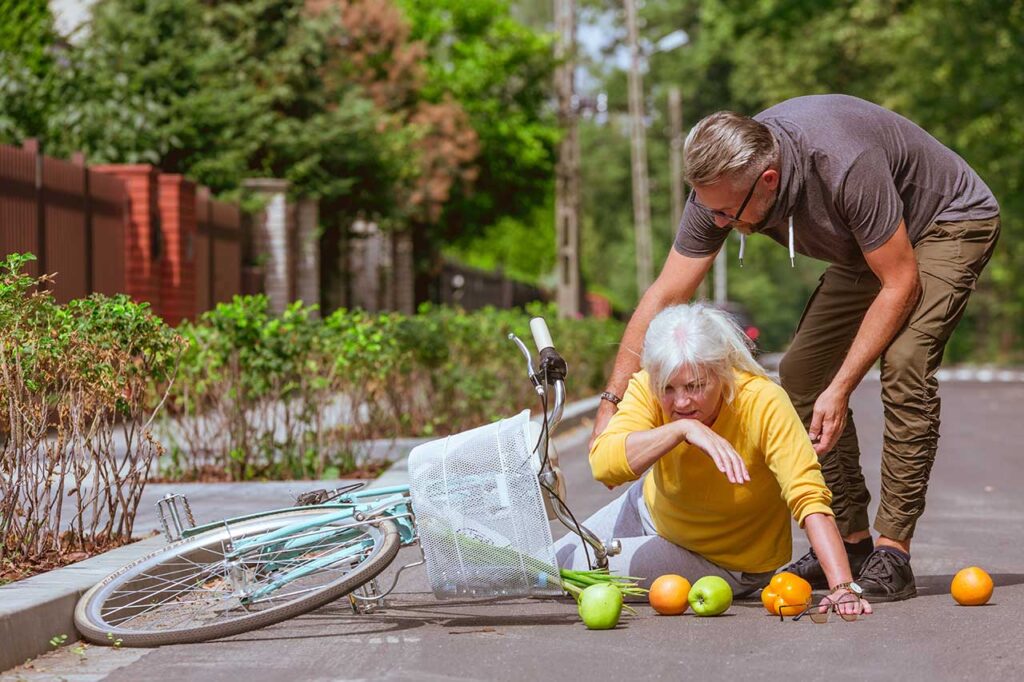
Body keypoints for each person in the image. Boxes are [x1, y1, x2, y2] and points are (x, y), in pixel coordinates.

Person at [590, 94, 1000, 602]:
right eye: (709, 210)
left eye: (726, 213)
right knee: (802, 374)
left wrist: (844, 386)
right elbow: (665, 295)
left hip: (947, 222)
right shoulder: (719, 187)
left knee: (905, 364)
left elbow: (900, 283)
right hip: (866, 243)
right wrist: (610, 402)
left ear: (768, 181)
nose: (717, 223)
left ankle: (893, 553)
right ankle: (851, 547)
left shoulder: (843, 164)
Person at [556, 303, 872, 615]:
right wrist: (682, 429)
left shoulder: (763, 401)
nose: (680, 401)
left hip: (720, 559)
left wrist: (843, 587)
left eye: (695, 386)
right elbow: (604, 465)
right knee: (544, 561)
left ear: (721, 370)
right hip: (647, 510)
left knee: (565, 574)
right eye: (668, 388)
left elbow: (809, 497)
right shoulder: (650, 386)